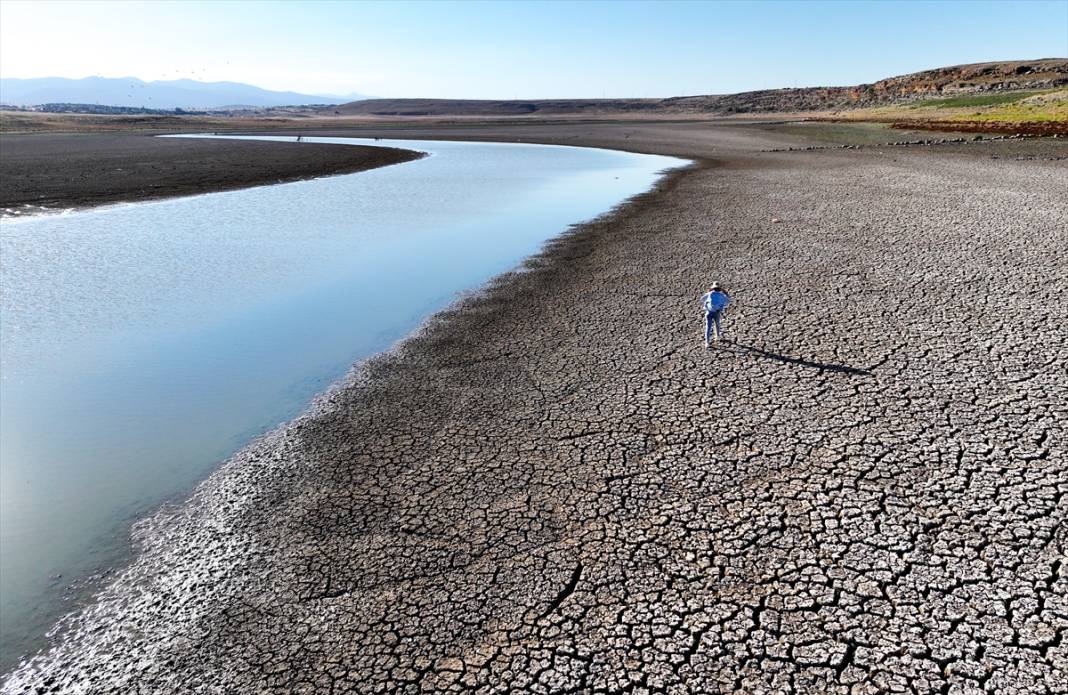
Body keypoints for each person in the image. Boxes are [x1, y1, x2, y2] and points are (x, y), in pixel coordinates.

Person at [701, 282, 731, 347]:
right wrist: (725, 293)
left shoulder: (709, 294)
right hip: (717, 312)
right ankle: (717, 337)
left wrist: (707, 303)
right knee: (717, 324)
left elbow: (702, 299)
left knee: (708, 327)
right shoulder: (721, 295)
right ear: (719, 289)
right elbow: (728, 301)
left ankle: (707, 343)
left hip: (709, 312)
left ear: (713, 288)